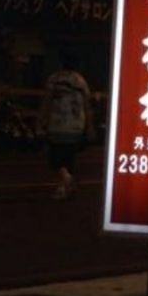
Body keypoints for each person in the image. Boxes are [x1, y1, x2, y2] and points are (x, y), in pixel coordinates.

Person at [42, 52, 94, 199]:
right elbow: (87, 105)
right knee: (69, 157)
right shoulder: (80, 81)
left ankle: (65, 182)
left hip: (57, 124)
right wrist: (89, 126)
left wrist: (42, 120)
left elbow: (46, 101)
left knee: (55, 157)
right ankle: (65, 185)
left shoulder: (54, 79)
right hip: (76, 124)